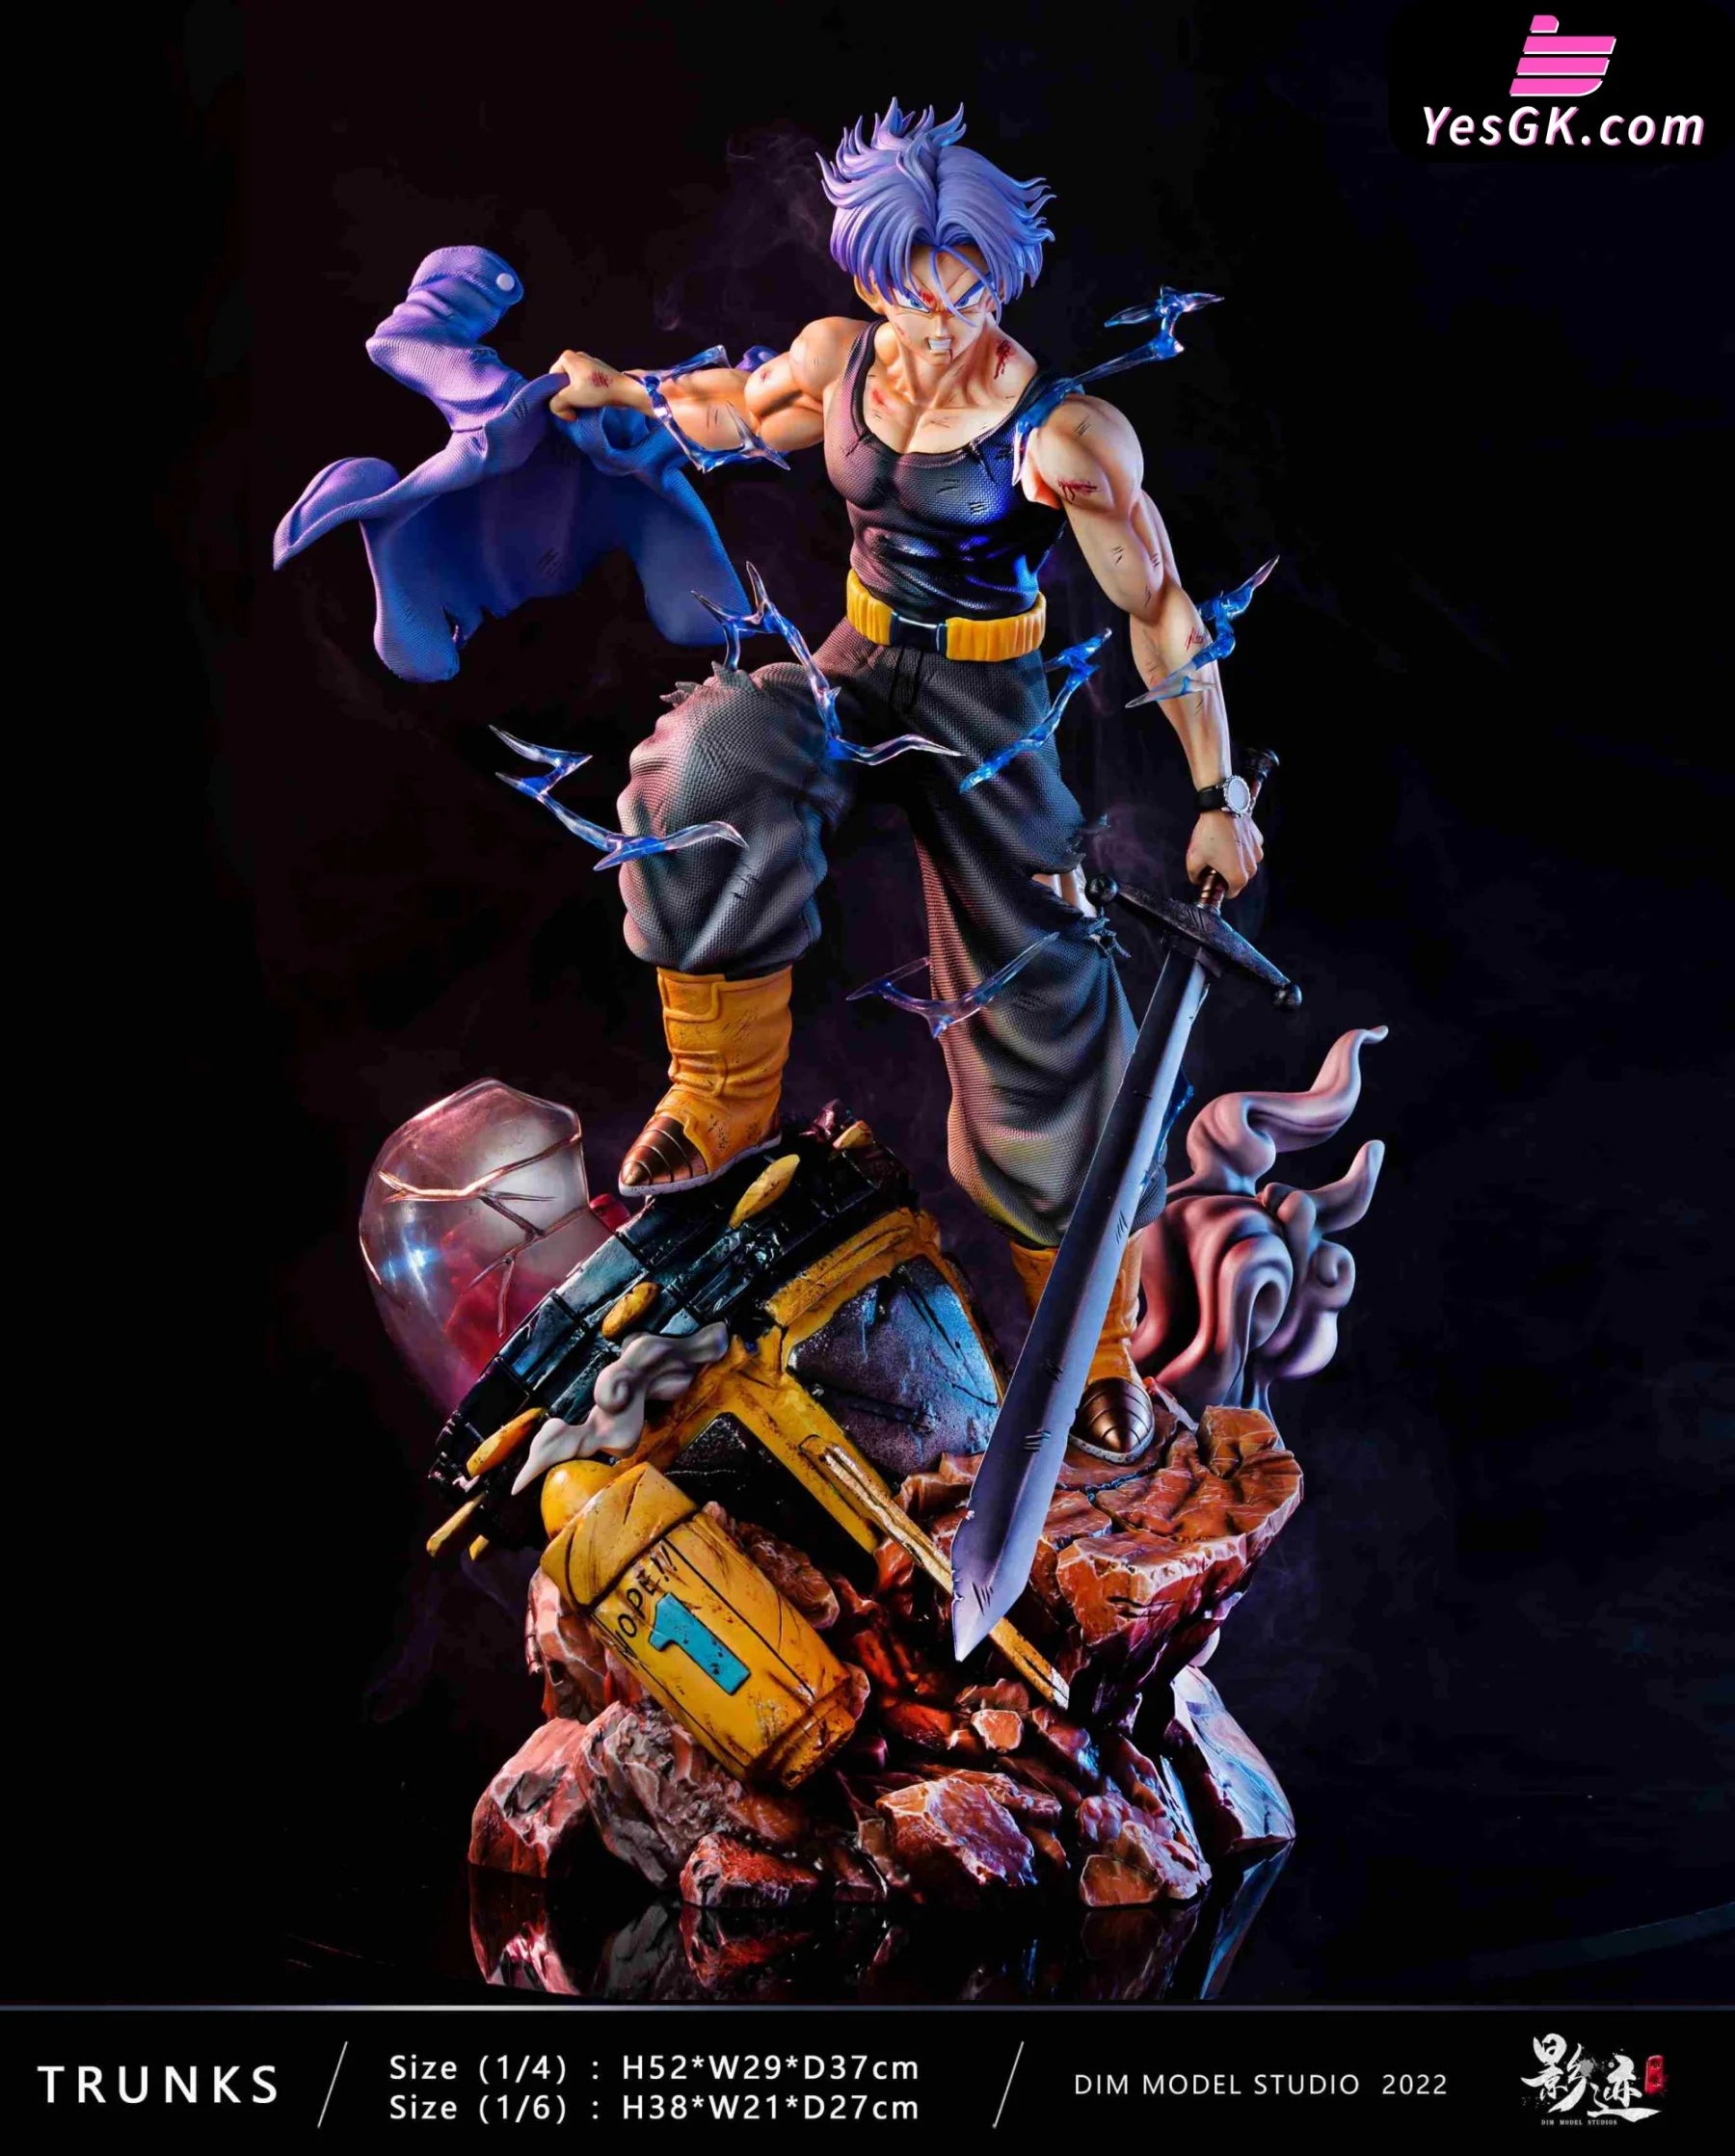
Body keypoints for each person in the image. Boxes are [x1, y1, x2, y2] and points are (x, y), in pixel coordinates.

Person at [547, 101, 1264, 1461]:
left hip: (990, 709)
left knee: (1041, 993)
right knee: (710, 755)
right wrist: (620, 390)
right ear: (873, 279)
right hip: (862, 661)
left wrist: (1219, 796)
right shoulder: (844, 361)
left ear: (1003, 274)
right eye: (914, 293)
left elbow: (1163, 610)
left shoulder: (1063, 435)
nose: (944, 324)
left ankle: (1096, 1341)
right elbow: (733, 406)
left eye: (968, 291)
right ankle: (719, 1094)